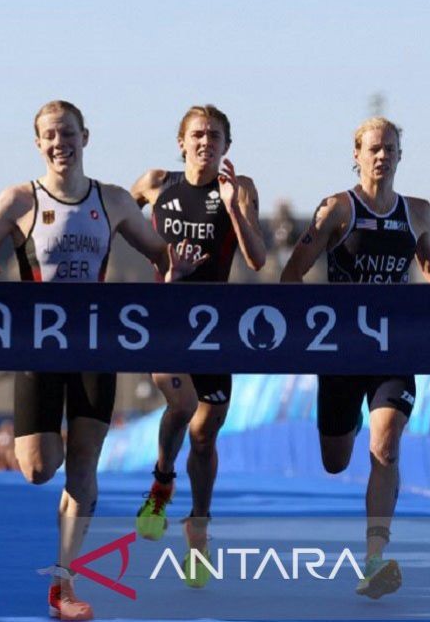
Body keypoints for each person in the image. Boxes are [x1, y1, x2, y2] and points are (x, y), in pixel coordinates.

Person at [0, 100, 204, 621]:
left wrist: (174, 273)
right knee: (41, 468)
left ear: (85, 137)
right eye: (49, 136)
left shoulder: (112, 201)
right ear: (38, 144)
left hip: (95, 345)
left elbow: (161, 258)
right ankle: (65, 527)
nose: (59, 143)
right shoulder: (19, 200)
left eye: (68, 133)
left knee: (84, 465)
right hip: (39, 348)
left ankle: (64, 584)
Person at [280, 117, 430, 599]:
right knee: (336, 460)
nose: (382, 156)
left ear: (400, 155)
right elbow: (293, 274)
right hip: (339, 351)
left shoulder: (418, 212)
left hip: (391, 348)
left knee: (387, 444)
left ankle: (374, 559)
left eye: (390, 149)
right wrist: (300, 332)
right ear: (356, 155)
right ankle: (349, 420)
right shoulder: (337, 208)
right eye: (373, 149)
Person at [129, 104, 266, 586]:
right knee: (182, 404)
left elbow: (256, 258)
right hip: (166, 321)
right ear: (181, 142)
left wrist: (233, 206)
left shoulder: (239, 187)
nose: (205, 142)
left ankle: (199, 526)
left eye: (214, 135)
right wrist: (164, 268)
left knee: (205, 435)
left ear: (227, 145)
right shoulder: (155, 183)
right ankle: (163, 479)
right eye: (197, 135)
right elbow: (119, 223)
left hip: (216, 328)